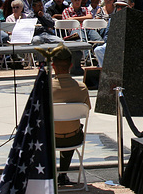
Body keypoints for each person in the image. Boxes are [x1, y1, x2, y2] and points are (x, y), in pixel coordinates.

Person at [51, 46, 90, 186]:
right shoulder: (81, 88)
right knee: (71, 128)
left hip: (49, 140)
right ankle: (63, 173)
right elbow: (86, 110)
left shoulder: (45, 87)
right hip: (73, 139)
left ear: (52, 65)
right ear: (71, 65)